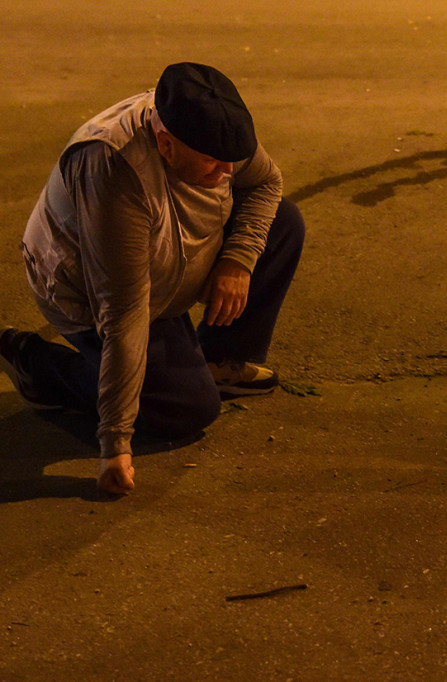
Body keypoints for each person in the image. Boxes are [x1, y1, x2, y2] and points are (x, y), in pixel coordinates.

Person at [0, 62, 304, 495]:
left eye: (231, 161)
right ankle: (36, 365)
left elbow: (266, 182)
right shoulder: (113, 169)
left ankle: (219, 358)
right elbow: (123, 312)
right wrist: (115, 445)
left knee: (282, 223)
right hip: (92, 291)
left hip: (170, 258)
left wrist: (237, 259)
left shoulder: (210, 131)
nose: (227, 173)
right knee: (186, 410)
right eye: (213, 164)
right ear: (165, 144)